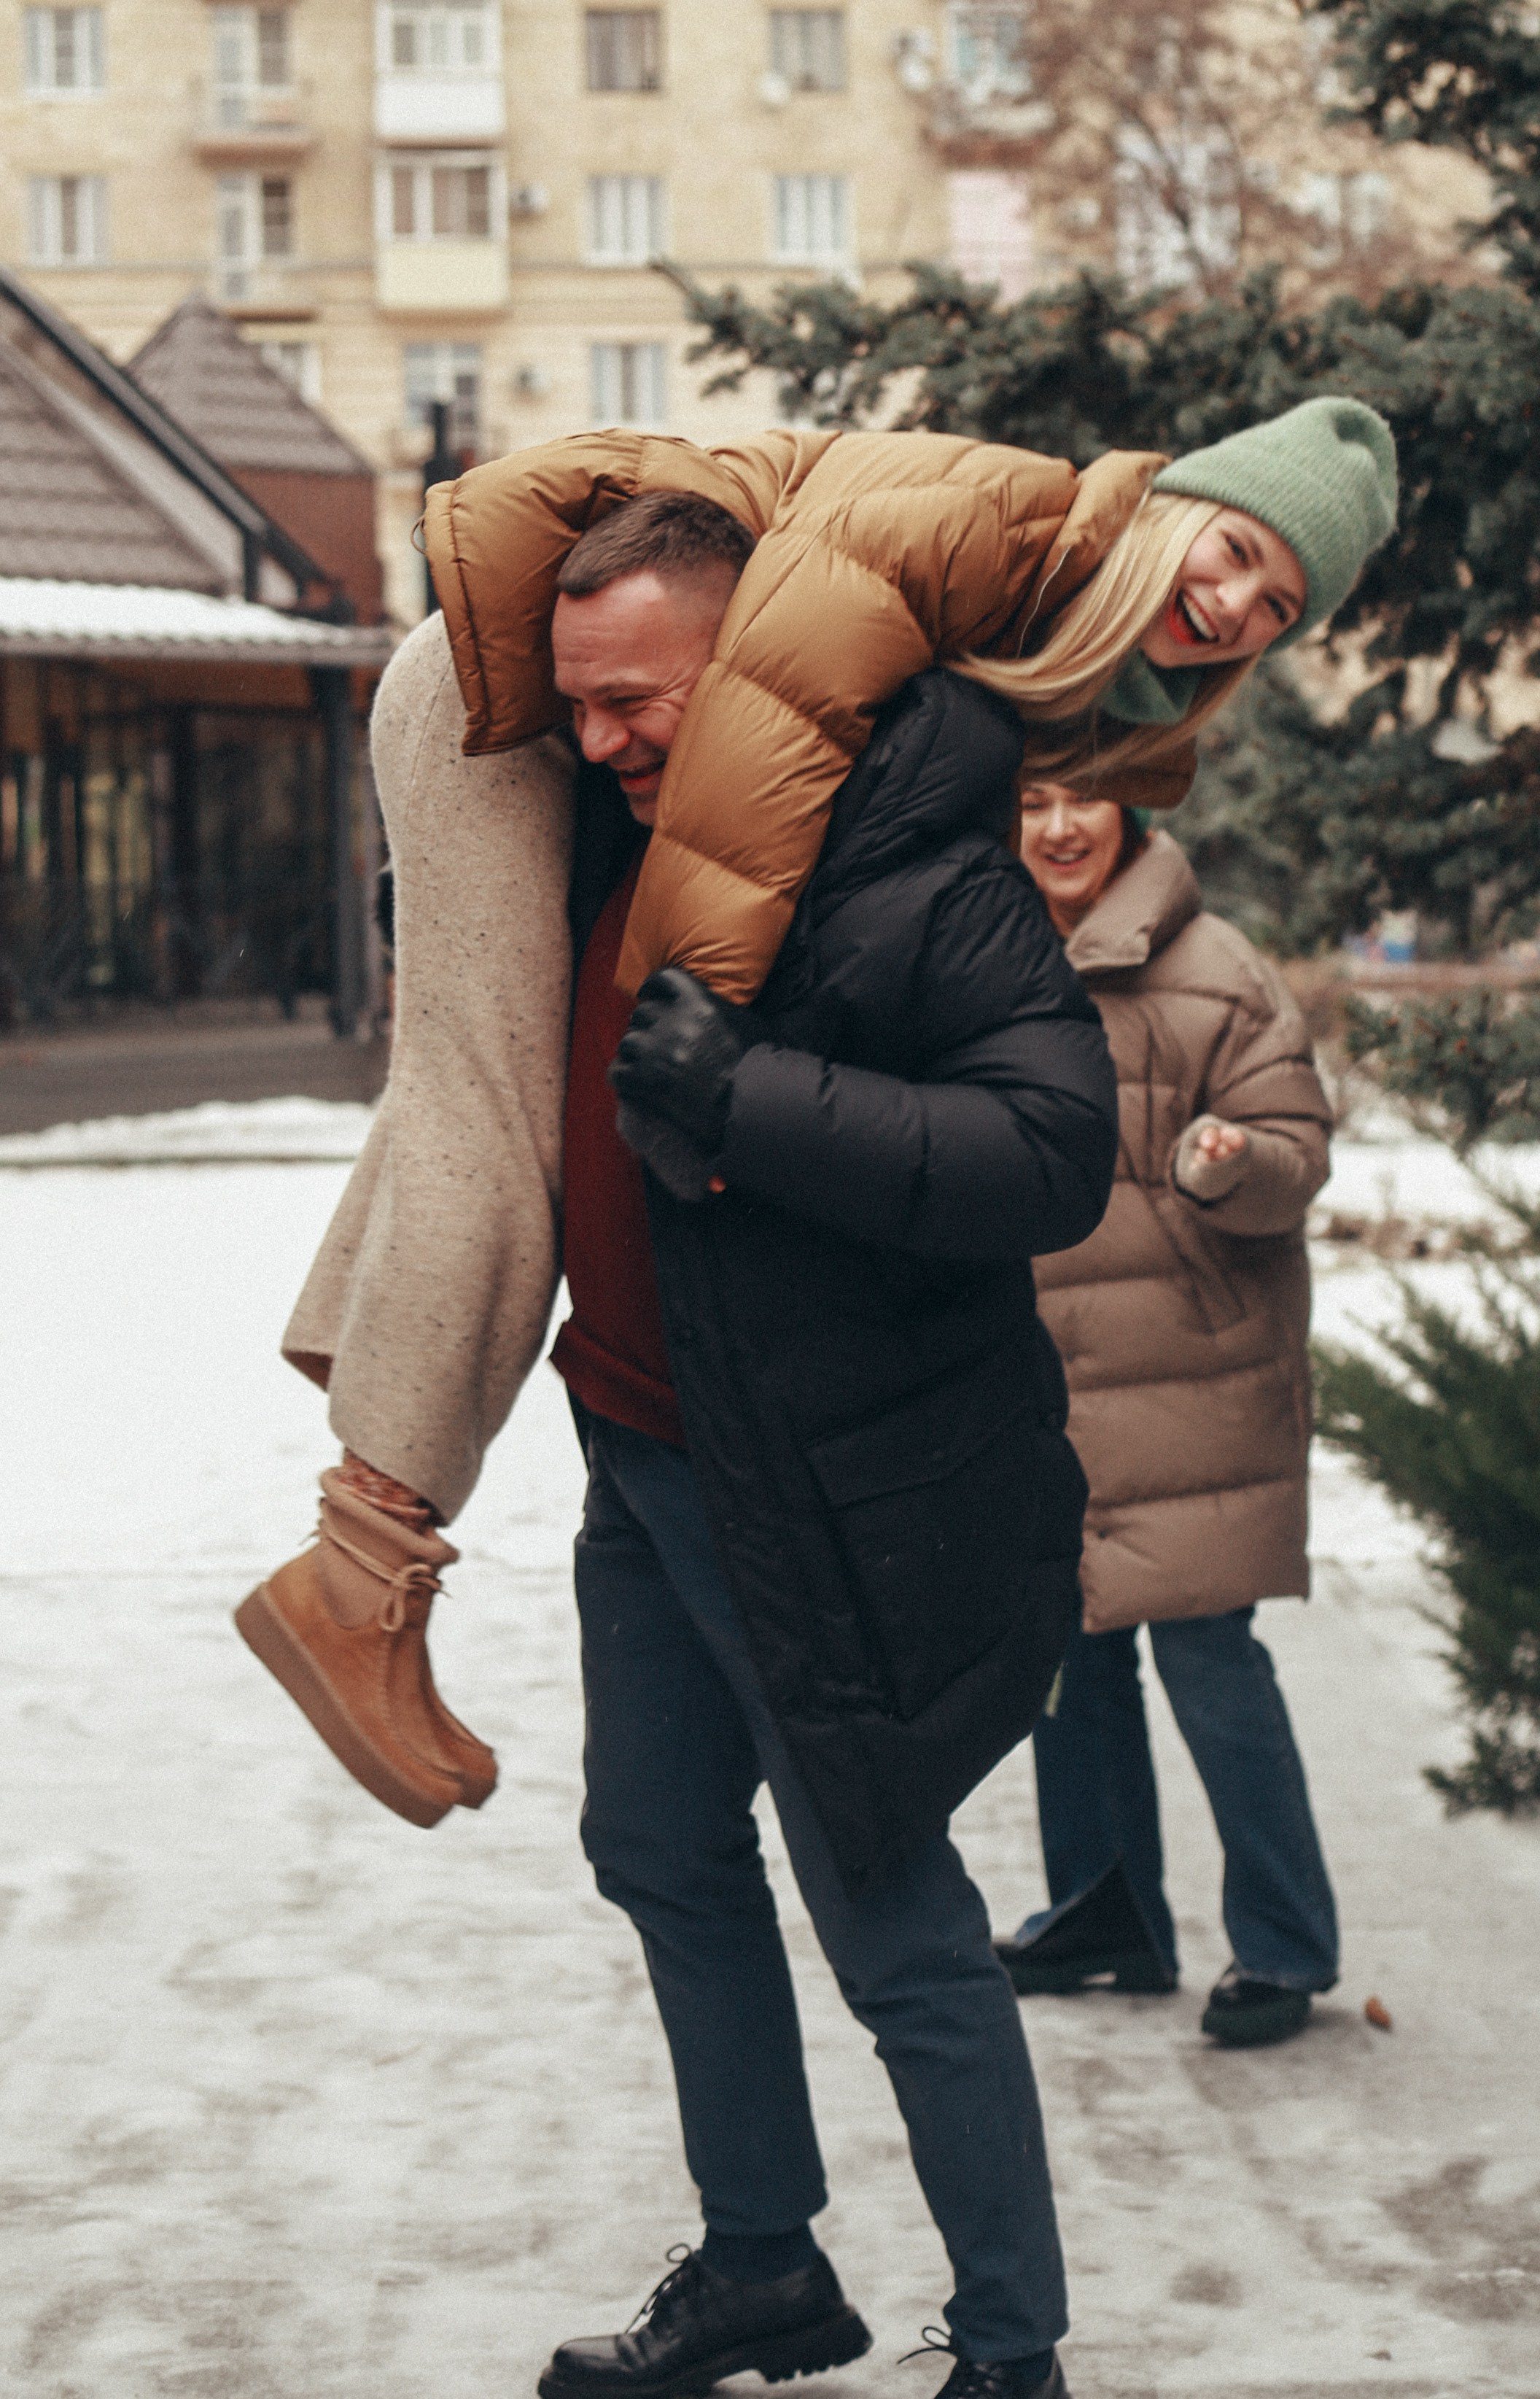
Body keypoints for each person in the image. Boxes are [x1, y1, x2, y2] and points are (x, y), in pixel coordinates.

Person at [235, 400, 1394, 2387]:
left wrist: (741, 1102)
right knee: (664, 1849)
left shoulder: (924, 885)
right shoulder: (626, 804)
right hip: (643, 1438)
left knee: (893, 1922)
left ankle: (1013, 2350)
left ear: (750, 666)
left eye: (636, 706)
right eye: (580, 709)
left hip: (814, 1483)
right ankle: (766, 2261)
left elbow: (1041, 1156)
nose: (604, 742)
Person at [992, 781, 1339, 2050]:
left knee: (1208, 1659)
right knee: (1069, 1651)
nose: (1061, 825)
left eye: (1088, 795)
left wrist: (1235, 1165)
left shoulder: (1214, 967)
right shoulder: (986, 942)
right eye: (1032, 798)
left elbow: (1296, 1147)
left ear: (1134, 809)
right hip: (1047, 1379)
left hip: (1193, 1377)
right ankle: (1107, 1912)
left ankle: (1287, 1943)